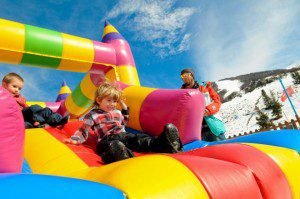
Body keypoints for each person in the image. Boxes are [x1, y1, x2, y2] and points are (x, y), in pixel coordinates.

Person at [65, 82, 183, 164]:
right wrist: (75, 139)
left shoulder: (117, 111)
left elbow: (124, 121)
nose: (112, 104)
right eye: (109, 100)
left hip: (122, 135)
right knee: (111, 146)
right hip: (107, 139)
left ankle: (165, 144)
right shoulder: (93, 114)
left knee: (139, 139)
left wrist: (123, 106)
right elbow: (84, 129)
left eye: (114, 101)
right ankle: (120, 154)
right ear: (99, 100)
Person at [2, 72, 69, 128]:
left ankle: (58, 121)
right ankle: (39, 125)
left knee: (44, 110)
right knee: (26, 124)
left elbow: (27, 109)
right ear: (4, 85)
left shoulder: (19, 98)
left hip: (23, 116)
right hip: (14, 119)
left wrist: (34, 118)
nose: (17, 90)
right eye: (14, 86)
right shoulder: (2, 96)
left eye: (19, 89)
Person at [180, 68, 226, 141]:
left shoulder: (205, 87)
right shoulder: (181, 94)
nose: (184, 78)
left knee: (223, 149)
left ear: (192, 76)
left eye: (186, 75)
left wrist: (207, 110)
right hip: (196, 132)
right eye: (182, 76)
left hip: (213, 126)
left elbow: (217, 101)